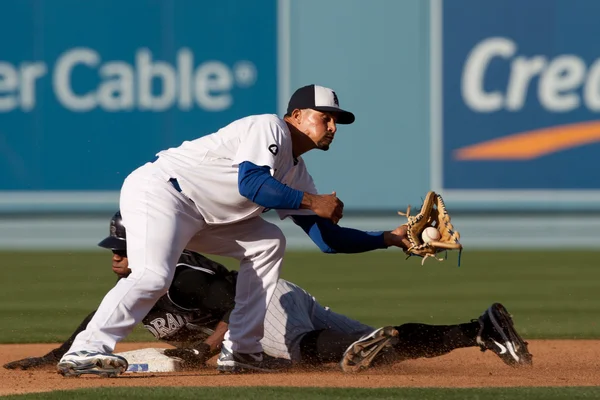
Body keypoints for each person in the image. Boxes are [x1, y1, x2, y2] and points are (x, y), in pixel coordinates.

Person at [56, 84, 413, 376]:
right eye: (326, 117)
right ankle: (85, 350)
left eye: (337, 121)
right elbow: (252, 185)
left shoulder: (297, 172)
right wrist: (311, 201)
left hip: (202, 216)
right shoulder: (269, 127)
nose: (333, 126)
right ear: (297, 116)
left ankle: (241, 350)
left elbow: (328, 240)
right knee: (152, 276)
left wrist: (389, 239)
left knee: (268, 241)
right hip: (161, 191)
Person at [7, 213, 532, 374]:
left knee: (315, 353)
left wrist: (212, 347)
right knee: (379, 348)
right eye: (114, 248)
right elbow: (92, 323)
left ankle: (343, 350)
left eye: (123, 248)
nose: (115, 257)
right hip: (281, 296)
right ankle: (478, 329)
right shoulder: (137, 284)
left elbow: (239, 295)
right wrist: (56, 356)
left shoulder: (180, 274)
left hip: (264, 301)